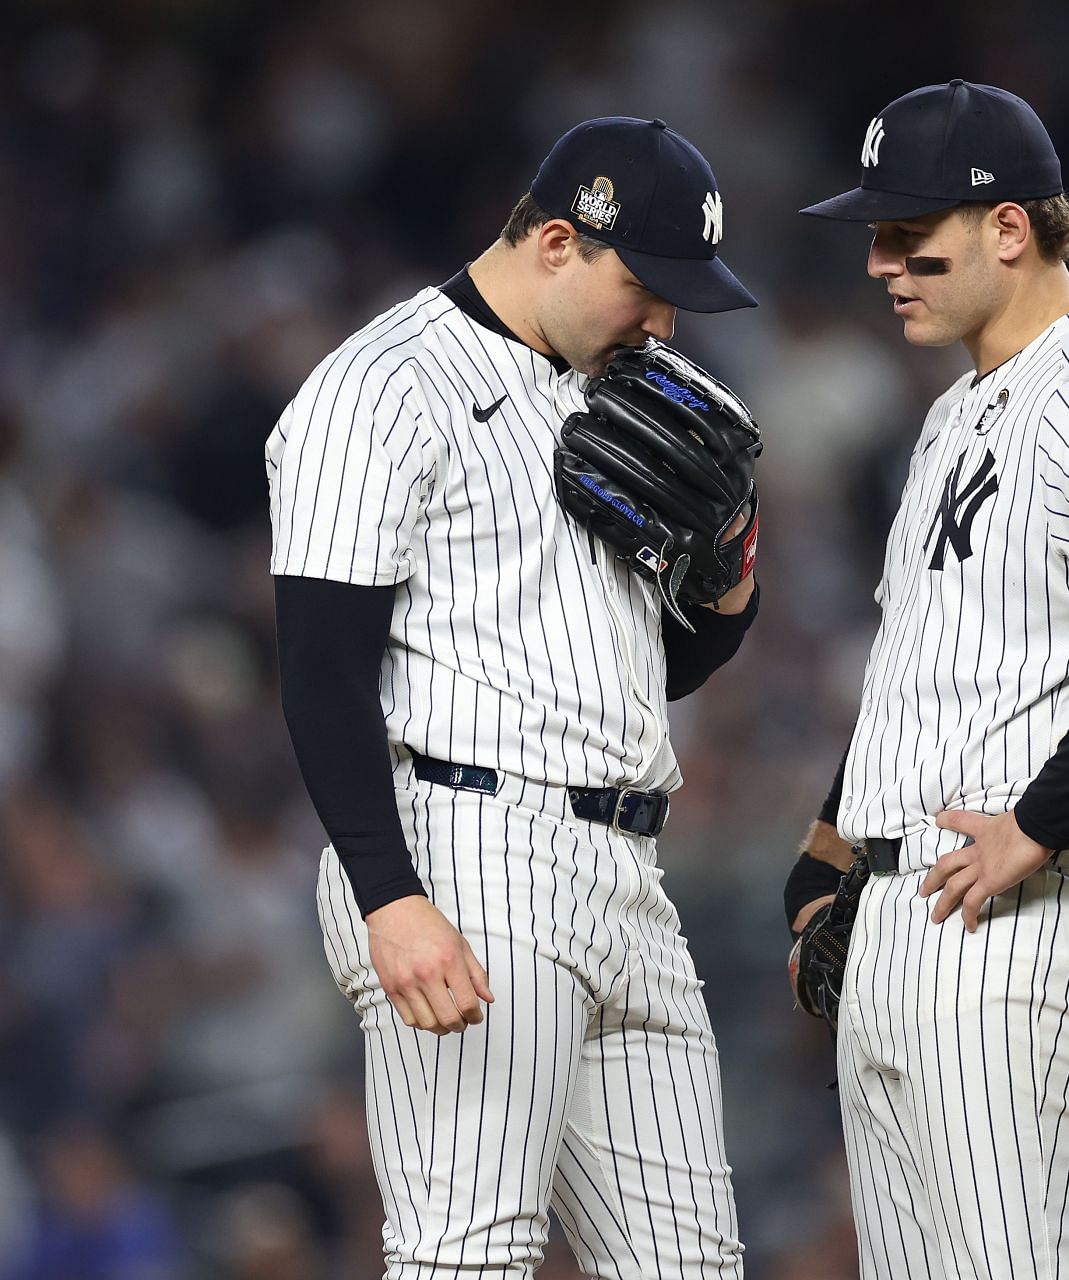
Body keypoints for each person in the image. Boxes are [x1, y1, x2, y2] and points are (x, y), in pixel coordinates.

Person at [267, 116, 759, 1278]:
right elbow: (320, 667)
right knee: (469, 1251)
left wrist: (731, 571)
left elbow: (663, 665)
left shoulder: (625, 388)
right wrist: (390, 896)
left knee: (692, 1265)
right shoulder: (380, 386)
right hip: (466, 843)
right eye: (644, 285)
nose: (665, 322)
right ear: (553, 242)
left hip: (629, 867)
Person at [788, 79, 1069, 1280]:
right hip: (917, 913)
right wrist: (830, 849)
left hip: (1028, 919)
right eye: (877, 236)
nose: (885, 263)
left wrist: (1040, 825)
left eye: (911, 235)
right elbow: (919, 657)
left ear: (1008, 227)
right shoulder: (954, 413)